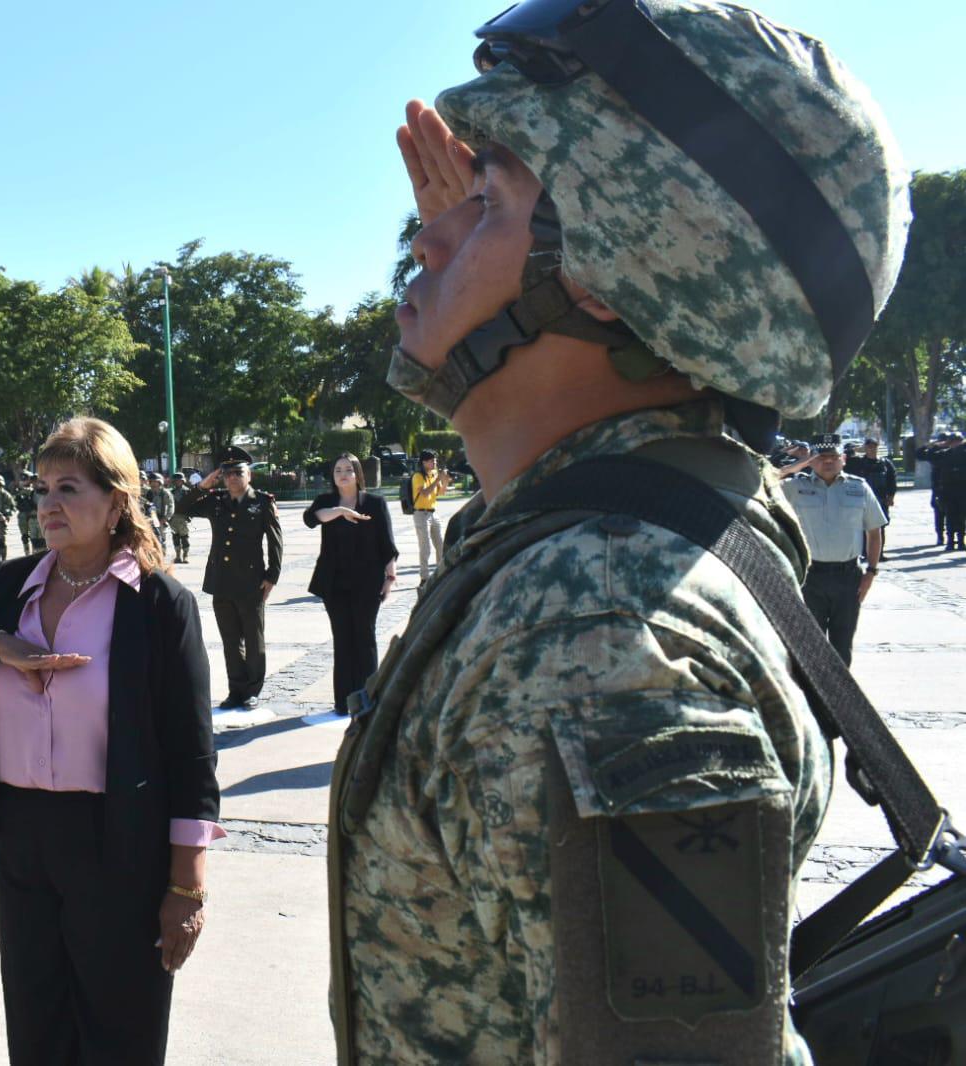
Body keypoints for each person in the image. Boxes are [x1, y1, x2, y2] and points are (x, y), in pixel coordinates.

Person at [329, 3, 909, 1062]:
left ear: (603, 275)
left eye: (487, 199)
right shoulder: (653, 513)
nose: (428, 231)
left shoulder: (593, 635)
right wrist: (507, 240)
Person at [0, 417, 221, 1066]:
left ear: (117, 499)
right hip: (21, 837)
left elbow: (192, 752)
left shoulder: (156, 604)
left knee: (118, 1028)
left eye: (67, 488)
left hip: (118, 841)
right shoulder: (10, 586)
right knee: (37, 1024)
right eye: (40, 488)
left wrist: (187, 887)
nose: (46, 504)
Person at [180, 446, 283, 709]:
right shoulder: (215, 501)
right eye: (227, 474)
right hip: (221, 582)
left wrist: (272, 576)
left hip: (251, 582)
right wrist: (203, 486)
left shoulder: (262, 502)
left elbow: (275, 542)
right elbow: (182, 508)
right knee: (229, 640)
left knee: (253, 638)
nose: (233, 478)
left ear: (250, 475)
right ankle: (235, 690)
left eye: (238, 472)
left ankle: (252, 690)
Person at [303, 454, 397, 715]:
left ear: (357, 474)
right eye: (337, 470)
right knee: (343, 639)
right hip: (334, 583)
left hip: (368, 582)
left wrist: (390, 577)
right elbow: (311, 518)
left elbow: (386, 544)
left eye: (348, 469)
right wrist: (341, 511)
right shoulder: (326, 502)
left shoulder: (375, 503)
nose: (342, 474)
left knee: (365, 639)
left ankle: (367, 698)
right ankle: (343, 701)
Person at [785, 434, 887, 665]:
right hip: (809, 578)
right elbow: (765, 480)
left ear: (843, 459)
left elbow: (874, 532)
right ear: (812, 460)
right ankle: (814, 699)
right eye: (821, 457)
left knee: (842, 646)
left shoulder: (858, 488)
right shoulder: (794, 487)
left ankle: (840, 698)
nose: (828, 462)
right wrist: (800, 464)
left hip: (848, 578)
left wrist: (871, 572)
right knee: (809, 646)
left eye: (833, 456)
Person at [918, 432, 966, 550]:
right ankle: (949, 541)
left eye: (958, 441)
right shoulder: (944, 454)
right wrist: (934, 445)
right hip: (947, 490)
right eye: (953, 441)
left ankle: (961, 541)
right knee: (949, 516)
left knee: (962, 516)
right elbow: (923, 455)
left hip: (962, 489)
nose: (956, 444)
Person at [408, 449, 450, 582]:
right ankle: (424, 577)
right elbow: (425, 493)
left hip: (433, 513)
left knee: (440, 545)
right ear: (424, 462)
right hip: (421, 514)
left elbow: (440, 493)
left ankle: (441, 573)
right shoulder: (418, 476)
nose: (435, 463)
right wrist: (438, 479)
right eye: (432, 461)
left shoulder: (433, 474)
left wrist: (445, 481)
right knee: (425, 547)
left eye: (435, 460)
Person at [14, 469, 43, 554]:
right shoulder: (22, 491)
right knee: (26, 537)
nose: (23, 481)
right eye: (22, 479)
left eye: (25, 479)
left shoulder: (36, 492)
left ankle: (37, 555)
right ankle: (28, 555)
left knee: (39, 539)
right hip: (25, 517)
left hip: (35, 517)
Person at [144, 471, 174, 549]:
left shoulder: (165, 493)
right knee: (151, 540)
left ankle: (162, 558)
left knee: (161, 540)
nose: (153, 484)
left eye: (155, 482)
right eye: (151, 482)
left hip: (161, 519)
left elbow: (171, 507)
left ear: (160, 482)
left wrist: (166, 518)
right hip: (150, 519)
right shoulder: (149, 492)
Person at [167, 472, 192, 563]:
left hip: (183, 517)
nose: (178, 482)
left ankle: (185, 556)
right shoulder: (170, 492)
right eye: (176, 481)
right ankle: (178, 556)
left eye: (179, 481)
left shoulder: (188, 491)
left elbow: (192, 504)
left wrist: (190, 515)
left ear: (183, 481)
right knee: (175, 537)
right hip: (173, 518)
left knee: (184, 537)